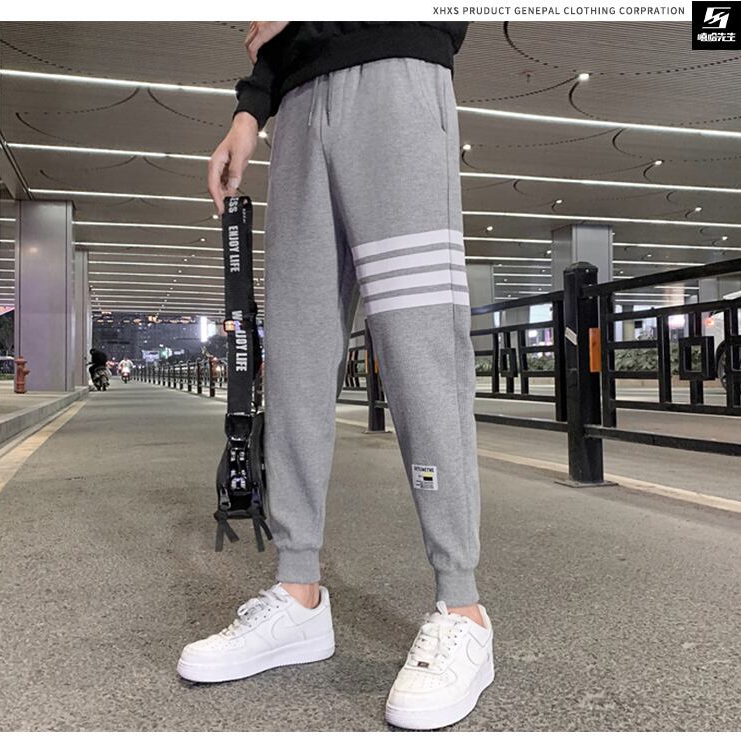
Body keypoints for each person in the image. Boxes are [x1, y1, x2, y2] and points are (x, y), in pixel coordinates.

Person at [178, 22, 493, 730]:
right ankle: (298, 594)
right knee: (295, 358)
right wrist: (250, 111)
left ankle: (463, 606)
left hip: (397, 75)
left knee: (418, 350)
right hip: (295, 109)